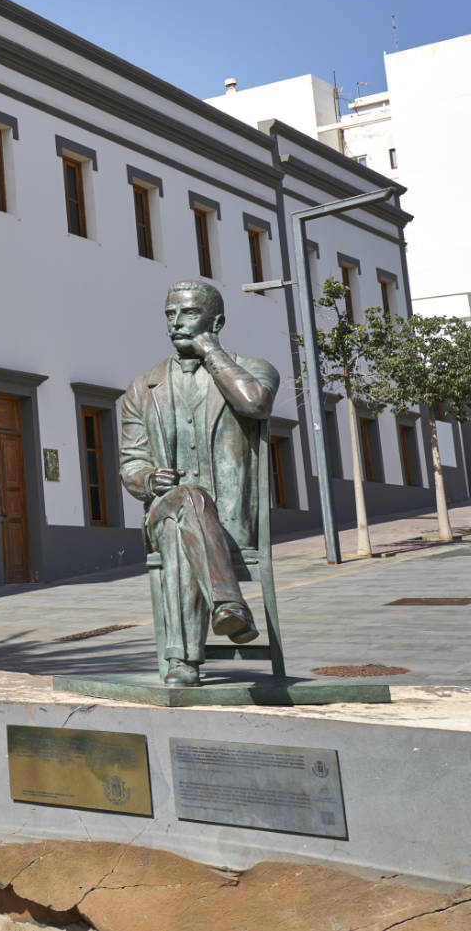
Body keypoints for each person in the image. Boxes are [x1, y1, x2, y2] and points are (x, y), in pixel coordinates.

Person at [120, 280, 279, 686]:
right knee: (186, 501)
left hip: (229, 521)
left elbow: (254, 402)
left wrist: (212, 353)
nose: (176, 322)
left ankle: (181, 664)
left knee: (182, 529)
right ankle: (229, 606)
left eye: (188, 313)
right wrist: (150, 478)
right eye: (170, 314)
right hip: (163, 508)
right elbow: (131, 463)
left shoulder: (255, 370)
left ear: (218, 321)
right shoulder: (143, 388)